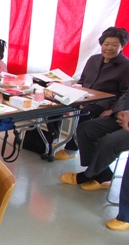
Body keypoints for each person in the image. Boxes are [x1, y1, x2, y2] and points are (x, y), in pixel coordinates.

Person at [55, 27, 129, 160]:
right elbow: (82, 81)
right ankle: (51, 140)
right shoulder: (94, 59)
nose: (109, 48)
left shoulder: (126, 65)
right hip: (83, 97)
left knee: (84, 114)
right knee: (54, 107)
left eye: (114, 45)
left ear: (122, 46)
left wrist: (112, 110)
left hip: (105, 103)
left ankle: (72, 149)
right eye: (106, 44)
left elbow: (125, 93)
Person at [60, 91, 129, 192]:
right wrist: (121, 112)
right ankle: (102, 173)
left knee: (110, 141)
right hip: (125, 117)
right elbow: (127, 94)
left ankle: (88, 175)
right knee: (86, 129)